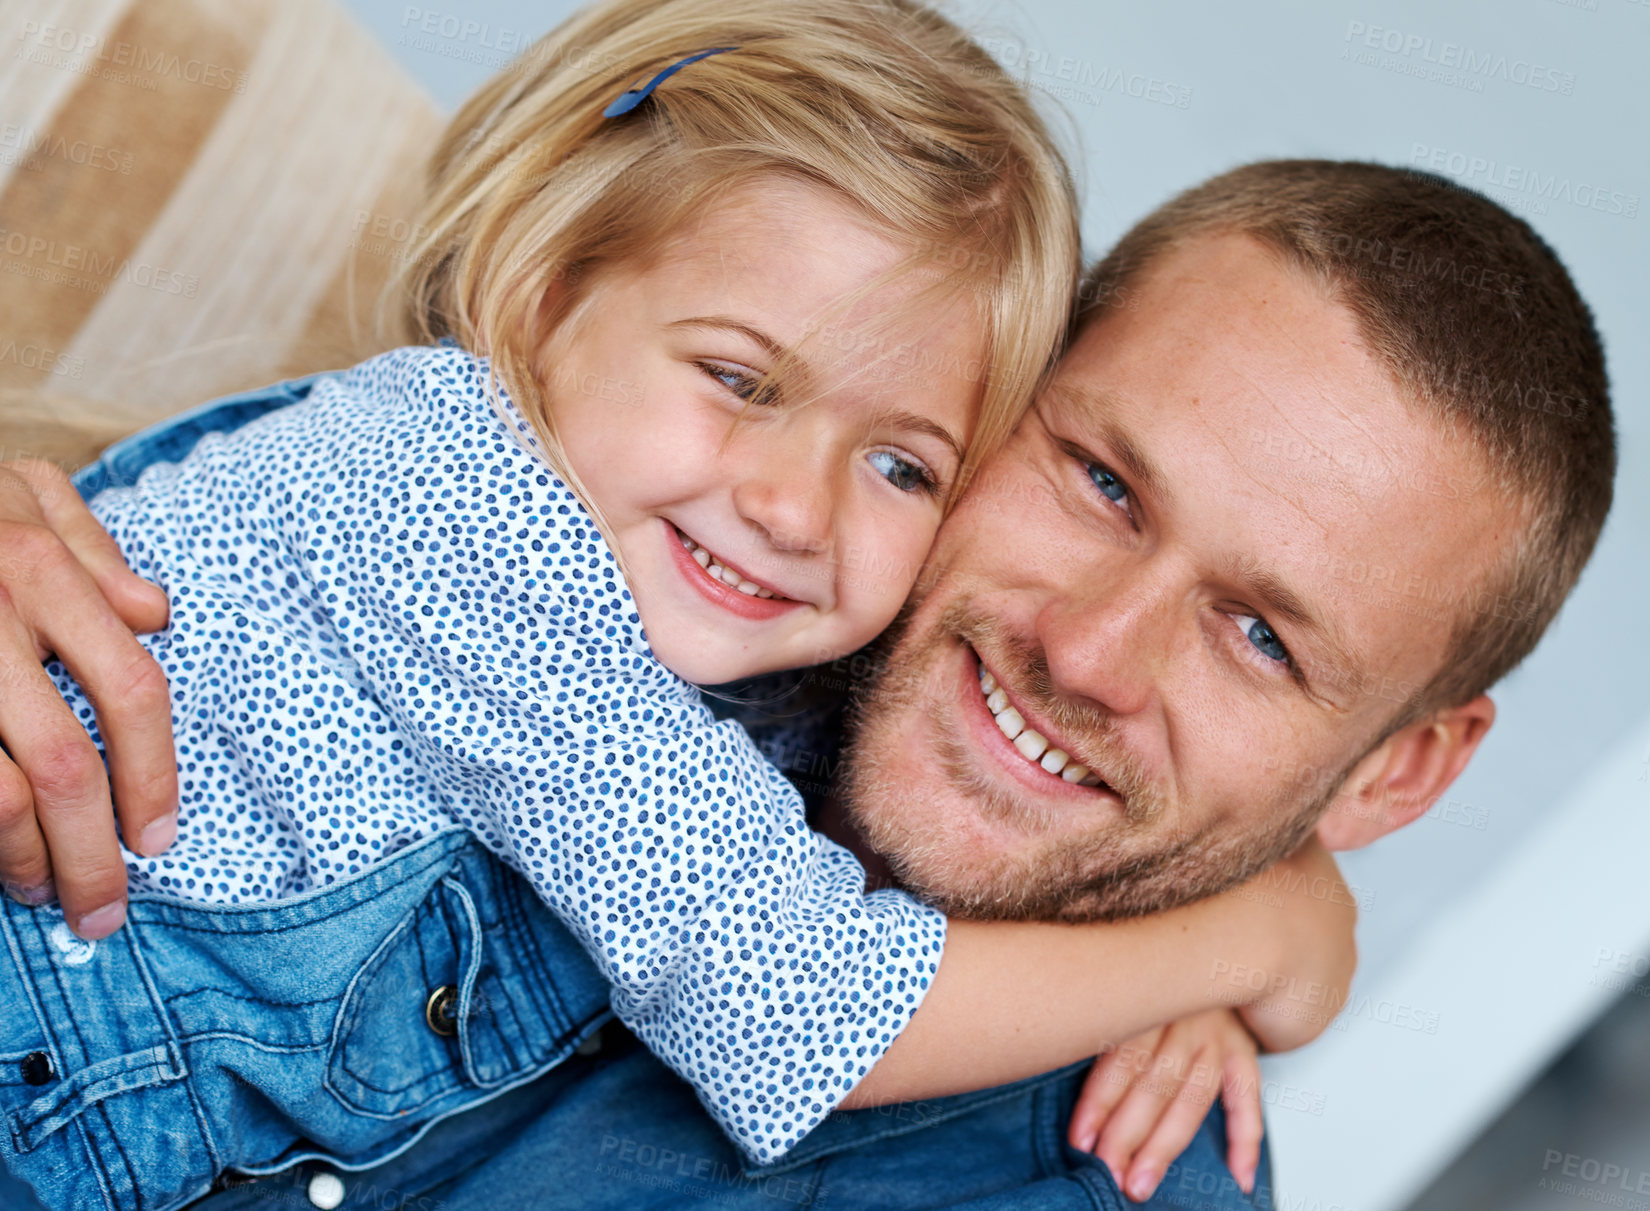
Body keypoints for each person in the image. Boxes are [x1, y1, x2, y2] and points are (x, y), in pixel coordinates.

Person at [0, 150, 1615, 1211]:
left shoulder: (1103, 1178)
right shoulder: (657, 523)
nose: (1084, 652)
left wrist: (1255, 930)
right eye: (1101, 482)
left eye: (1260, 638)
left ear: (1393, 776)